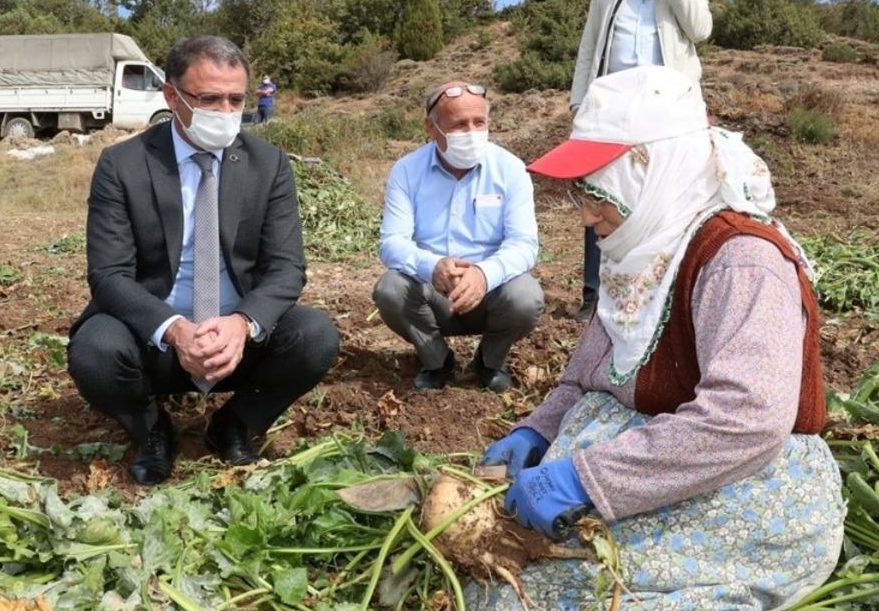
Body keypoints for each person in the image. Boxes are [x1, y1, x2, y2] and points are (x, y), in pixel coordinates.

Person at [473, 66, 843, 611]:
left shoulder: (741, 259)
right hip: (650, 467)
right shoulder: (640, 255)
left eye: (596, 191)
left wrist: (584, 479)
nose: (585, 213)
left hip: (743, 484)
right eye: (579, 192)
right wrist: (538, 430)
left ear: (646, 171)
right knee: (503, 578)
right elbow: (589, 375)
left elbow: (746, 420)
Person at [67, 35, 340, 485]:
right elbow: (109, 274)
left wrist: (241, 324)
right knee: (95, 351)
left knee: (315, 336)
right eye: (209, 99)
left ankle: (235, 424)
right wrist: (175, 330)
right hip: (155, 341)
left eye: (236, 99)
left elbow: (287, 266)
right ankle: (152, 429)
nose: (225, 112)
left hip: (237, 344)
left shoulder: (268, 164)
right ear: (171, 96)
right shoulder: (124, 164)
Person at [569, 0, 713, 321]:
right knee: (602, 194)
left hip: (666, 112)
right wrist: (579, 102)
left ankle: (660, 290)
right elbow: (589, 45)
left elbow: (700, 30)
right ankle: (595, 295)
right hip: (612, 108)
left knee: (665, 196)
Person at [373, 81, 542, 393]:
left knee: (526, 297)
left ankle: (490, 361)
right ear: (431, 127)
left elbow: (524, 244)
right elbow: (392, 242)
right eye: (459, 125)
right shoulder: (407, 171)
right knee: (390, 289)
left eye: (479, 122)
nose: (472, 133)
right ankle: (437, 361)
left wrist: (483, 274)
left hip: (491, 293)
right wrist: (433, 267)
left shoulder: (510, 169)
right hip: (433, 293)